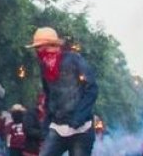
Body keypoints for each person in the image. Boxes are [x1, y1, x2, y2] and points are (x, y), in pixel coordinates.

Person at [26, 27, 98, 156]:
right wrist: (46, 125)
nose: (38, 52)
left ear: (51, 45)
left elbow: (91, 88)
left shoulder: (74, 59)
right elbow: (48, 95)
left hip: (81, 129)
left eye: (40, 47)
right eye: (37, 49)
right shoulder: (44, 67)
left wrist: (78, 117)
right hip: (57, 127)